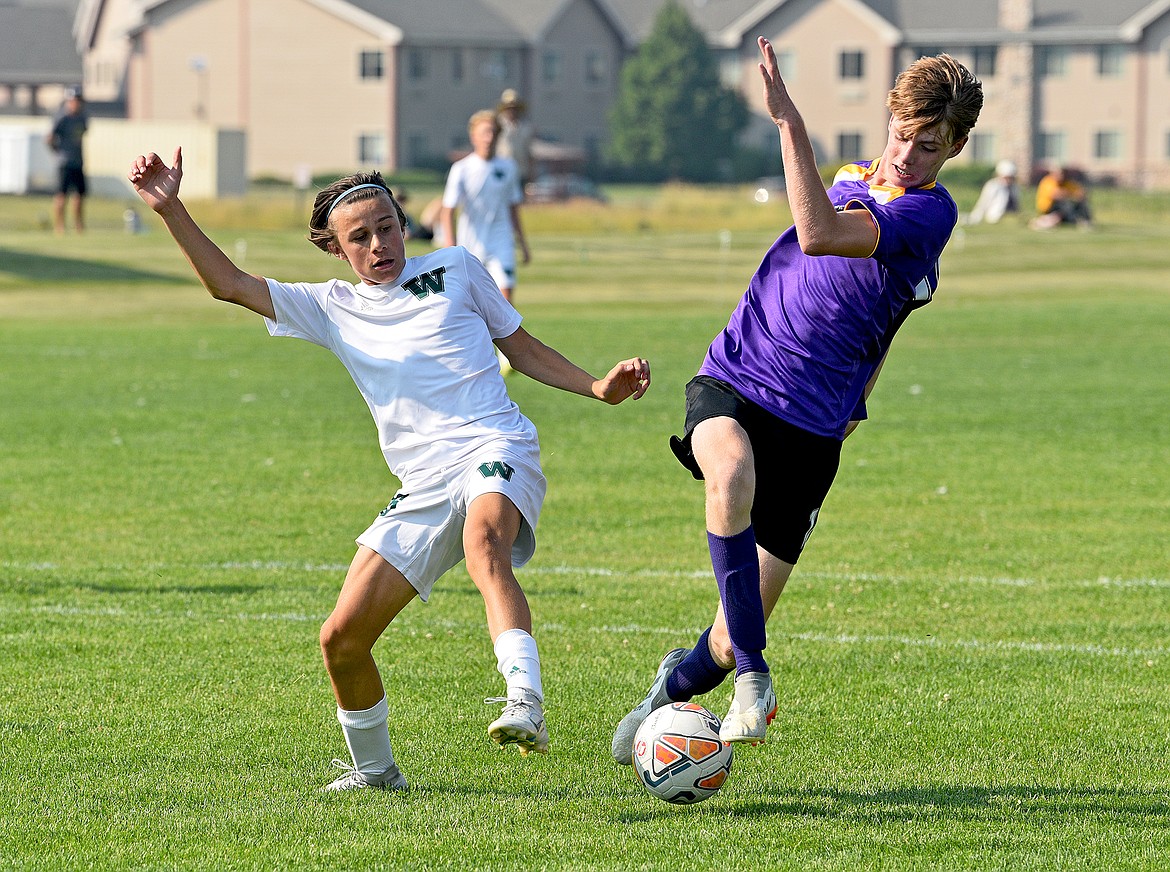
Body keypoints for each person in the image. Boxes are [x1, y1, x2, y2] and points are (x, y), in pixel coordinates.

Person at [127, 147, 651, 792]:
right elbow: (227, 284)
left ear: (404, 225)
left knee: (485, 544)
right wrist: (171, 207)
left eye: (387, 227)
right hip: (423, 484)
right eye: (360, 237)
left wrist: (598, 386)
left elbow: (521, 346)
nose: (379, 244)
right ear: (334, 248)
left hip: (494, 442)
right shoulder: (330, 306)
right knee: (341, 640)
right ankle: (376, 774)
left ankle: (525, 703)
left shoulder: (457, 268)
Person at [610, 37, 983, 763]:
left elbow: (819, 239)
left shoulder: (929, 217)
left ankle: (675, 689)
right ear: (890, 119)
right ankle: (755, 674)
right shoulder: (847, 175)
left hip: (813, 432)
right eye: (904, 135)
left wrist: (789, 123)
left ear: (956, 147)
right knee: (731, 475)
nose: (909, 156)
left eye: (930, 146)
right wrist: (795, 133)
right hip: (738, 378)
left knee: (722, 636)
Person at [440, 109, 530, 308]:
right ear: (473, 136)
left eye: (492, 133)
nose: (488, 138)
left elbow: (513, 208)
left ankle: (502, 339)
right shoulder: (461, 169)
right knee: (470, 302)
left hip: (501, 241)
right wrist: (450, 245)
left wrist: (523, 244)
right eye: (484, 132)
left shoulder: (509, 167)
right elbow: (448, 211)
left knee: (505, 301)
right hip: (470, 244)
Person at [47, 89, 89, 234]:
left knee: (79, 196)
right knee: (61, 195)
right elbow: (50, 138)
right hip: (64, 163)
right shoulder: (62, 118)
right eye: (73, 100)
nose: (76, 104)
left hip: (78, 162)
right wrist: (58, 153)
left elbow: (83, 134)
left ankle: (79, 227)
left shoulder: (82, 117)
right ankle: (59, 227)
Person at [495, 88, 535, 187]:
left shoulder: (525, 127)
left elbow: (528, 151)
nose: (512, 111)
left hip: (520, 171)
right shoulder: (497, 125)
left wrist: (531, 173)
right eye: (509, 108)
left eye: (514, 108)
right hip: (501, 170)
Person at [1030, 165, 1092, 229]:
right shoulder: (1048, 181)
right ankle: (1073, 220)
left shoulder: (1066, 183)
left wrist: (1078, 194)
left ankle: (1086, 222)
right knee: (1063, 203)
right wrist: (1070, 194)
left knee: (1081, 203)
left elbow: (1080, 192)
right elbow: (1055, 195)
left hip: (1063, 209)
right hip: (1048, 208)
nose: (1061, 176)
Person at [968, 159, 1020, 225]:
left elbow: (1016, 204)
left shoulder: (1014, 187)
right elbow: (983, 203)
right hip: (994, 217)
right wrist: (975, 217)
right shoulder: (992, 185)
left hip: (1009, 216)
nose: (1009, 180)